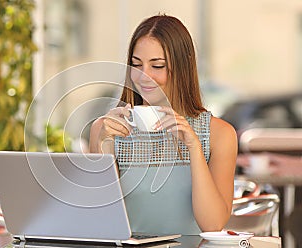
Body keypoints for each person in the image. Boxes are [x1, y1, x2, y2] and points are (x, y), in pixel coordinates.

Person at [89, 14, 237, 234]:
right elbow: (98, 220)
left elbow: (213, 224)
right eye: (136, 65)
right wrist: (104, 147)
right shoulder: (106, 129)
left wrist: (194, 148)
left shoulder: (220, 134)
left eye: (157, 66)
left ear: (182, 67)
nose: (143, 76)